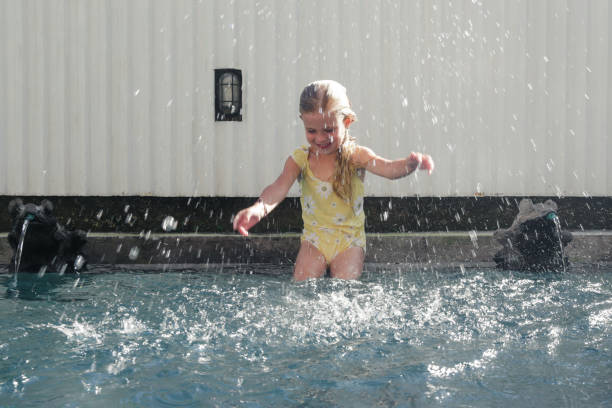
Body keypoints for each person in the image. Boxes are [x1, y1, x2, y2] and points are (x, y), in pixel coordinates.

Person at [232, 80, 434, 281]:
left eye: (329, 130)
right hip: (314, 241)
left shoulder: (356, 156)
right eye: (312, 131)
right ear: (303, 122)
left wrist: (409, 165)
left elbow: (388, 169)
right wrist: (258, 210)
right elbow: (278, 187)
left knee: (345, 288)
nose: (320, 138)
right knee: (301, 287)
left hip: (349, 242)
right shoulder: (301, 159)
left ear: (346, 122)